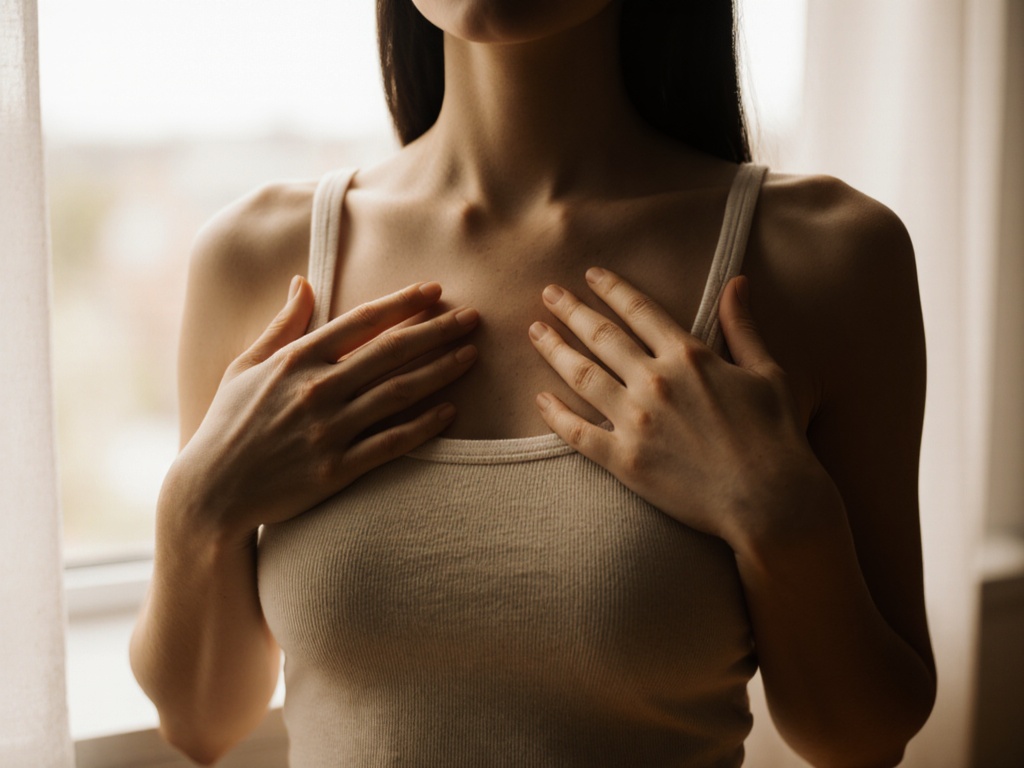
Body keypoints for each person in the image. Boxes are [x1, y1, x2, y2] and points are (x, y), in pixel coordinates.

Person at [129, 1, 937, 765]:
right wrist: (196, 509)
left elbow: (860, 743)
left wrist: (780, 517)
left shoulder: (827, 260)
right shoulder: (255, 258)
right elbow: (202, 724)